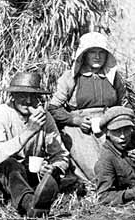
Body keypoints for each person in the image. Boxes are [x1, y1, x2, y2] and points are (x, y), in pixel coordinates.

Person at [0, 72, 69, 217]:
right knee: (10, 165)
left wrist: (52, 169)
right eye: (22, 95)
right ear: (12, 96)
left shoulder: (45, 118)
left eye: (33, 96)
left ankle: (1, 192)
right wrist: (29, 131)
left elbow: (60, 155)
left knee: (70, 181)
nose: (28, 101)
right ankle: (30, 204)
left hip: (27, 170)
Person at [48, 31, 127, 182]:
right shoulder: (71, 77)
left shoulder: (113, 77)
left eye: (101, 53)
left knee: (124, 167)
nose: (97, 57)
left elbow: (122, 104)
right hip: (81, 130)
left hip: (109, 127)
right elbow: (53, 109)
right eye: (92, 52)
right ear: (84, 55)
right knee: (97, 171)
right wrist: (75, 120)